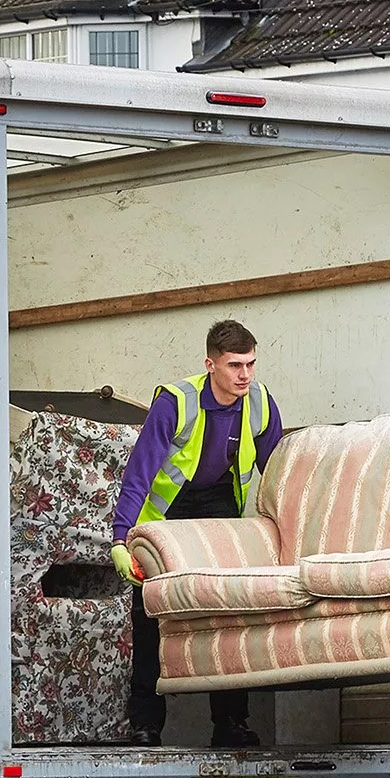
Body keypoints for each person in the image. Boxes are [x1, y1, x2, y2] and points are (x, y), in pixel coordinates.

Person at [108, 319, 282, 748]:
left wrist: (288, 528)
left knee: (226, 613)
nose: (245, 374)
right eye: (234, 365)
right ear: (211, 365)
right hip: (168, 515)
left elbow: (279, 470)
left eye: (251, 364)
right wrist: (119, 538)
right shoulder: (176, 402)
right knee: (151, 619)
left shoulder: (258, 401)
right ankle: (145, 726)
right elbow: (139, 473)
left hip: (221, 509)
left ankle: (231, 724)